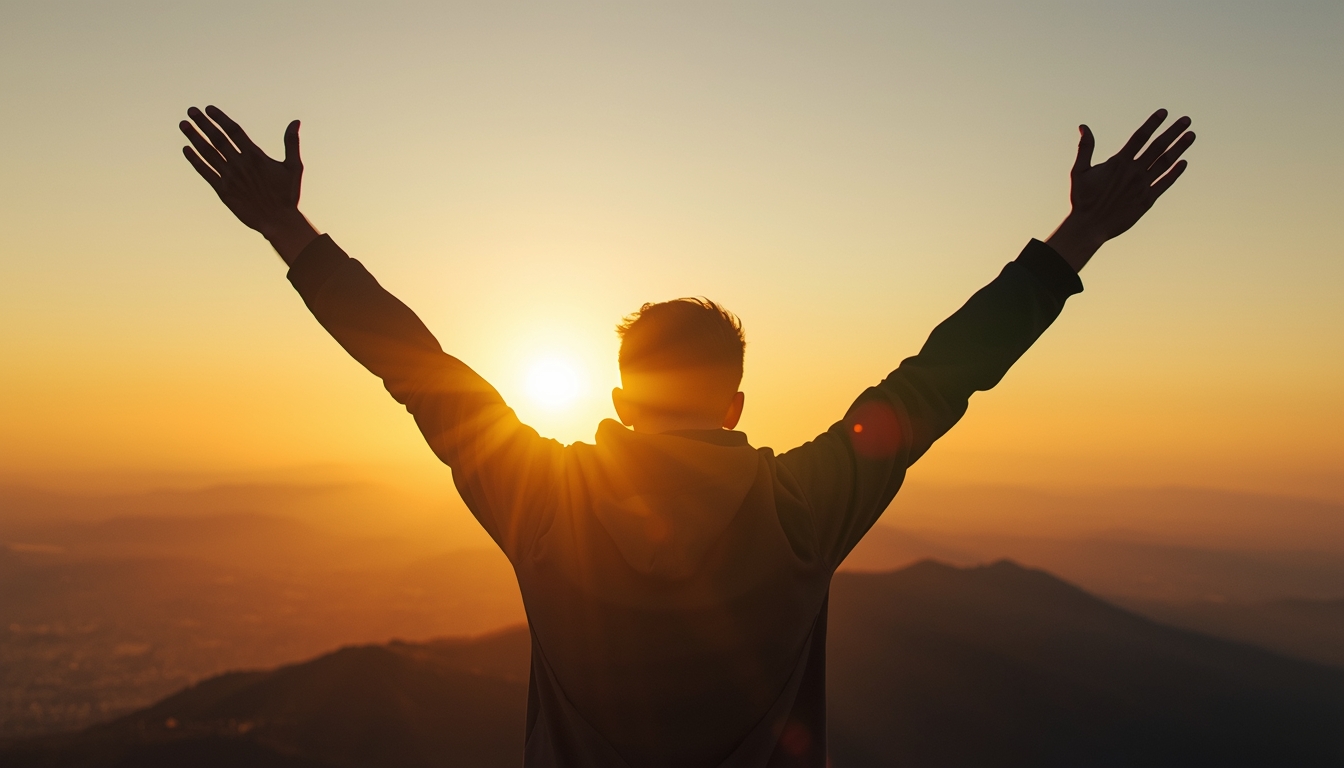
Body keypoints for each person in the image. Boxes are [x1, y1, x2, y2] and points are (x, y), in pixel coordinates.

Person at [180, 106, 1193, 767]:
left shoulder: (545, 500)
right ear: (735, 406)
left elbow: (415, 367)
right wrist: (1078, 240)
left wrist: (290, 234)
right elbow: (942, 376)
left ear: (619, 403)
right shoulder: (805, 507)